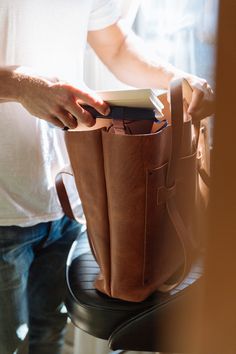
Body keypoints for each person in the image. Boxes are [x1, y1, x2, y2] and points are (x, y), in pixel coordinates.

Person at [0, 1, 214, 353]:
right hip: (4, 208)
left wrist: (180, 79)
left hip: (66, 197)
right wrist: (21, 85)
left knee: (48, 338)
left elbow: (115, 46)